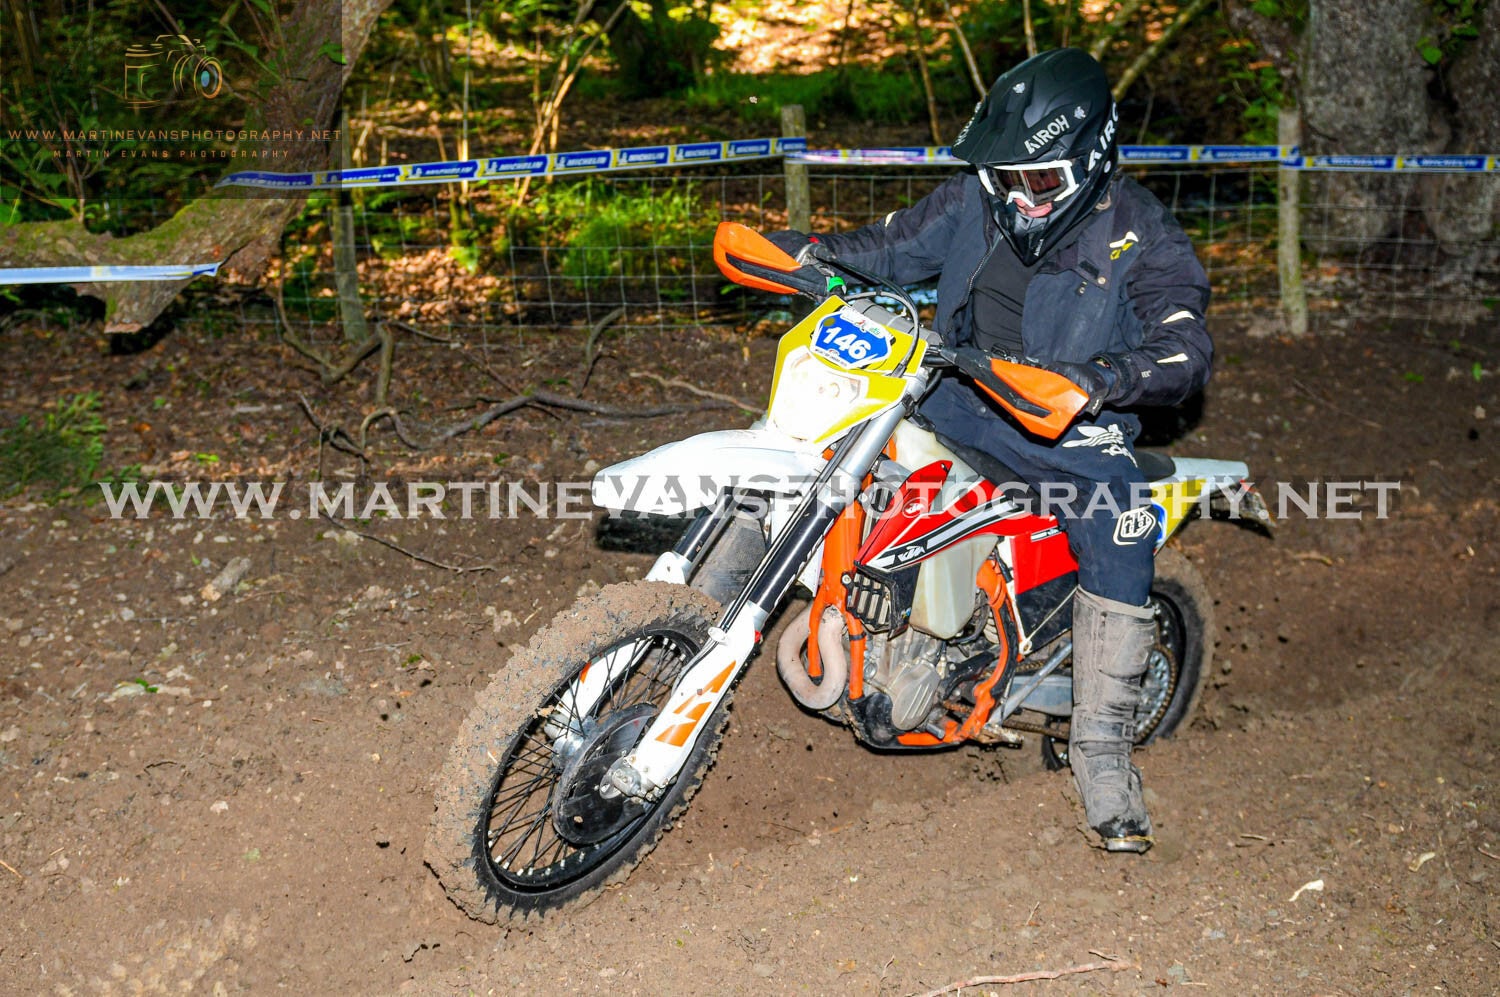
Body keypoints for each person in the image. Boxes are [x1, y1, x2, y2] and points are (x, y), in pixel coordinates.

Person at [769, 47, 1212, 853]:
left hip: (1063, 426)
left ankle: (1104, 758)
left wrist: (1102, 378)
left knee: (1119, 524)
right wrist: (806, 253)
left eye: (1035, 180)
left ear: (1090, 160)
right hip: (952, 390)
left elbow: (1185, 345)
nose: (1014, 196)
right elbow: (889, 248)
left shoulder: (1141, 233)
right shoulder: (976, 200)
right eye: (1001, 176)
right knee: (829, 445)